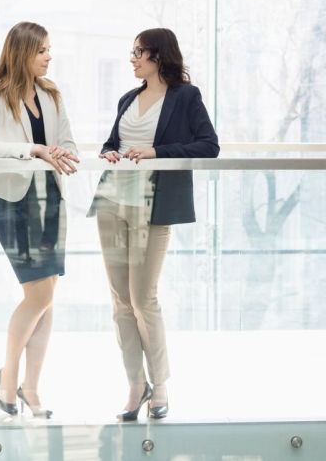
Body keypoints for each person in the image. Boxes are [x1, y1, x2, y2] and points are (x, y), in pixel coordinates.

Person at [90, 28, 219, 421]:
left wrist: (158, 151)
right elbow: (112, 142)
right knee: (120, 302)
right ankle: (135, 384)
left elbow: (209, 145)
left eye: (138, 52)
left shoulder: (185, 97)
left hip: (153, 206)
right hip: (112, 202)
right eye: (132, 52)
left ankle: (160, 384)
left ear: (159, 56)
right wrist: (110, 153)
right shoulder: (128, 98)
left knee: (143, 298)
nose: (132, 59)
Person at [0, 21, 78, 418]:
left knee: (47, 299)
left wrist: (59, 152)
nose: (49, 56)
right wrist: (34, 149)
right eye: (42, 51)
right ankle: (8, 378)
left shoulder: (52, 93)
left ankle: (31, 388)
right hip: (13, 201)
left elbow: (67, 142)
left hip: (51, 199)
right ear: (22, 53)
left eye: (49, 50)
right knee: (40, 296)